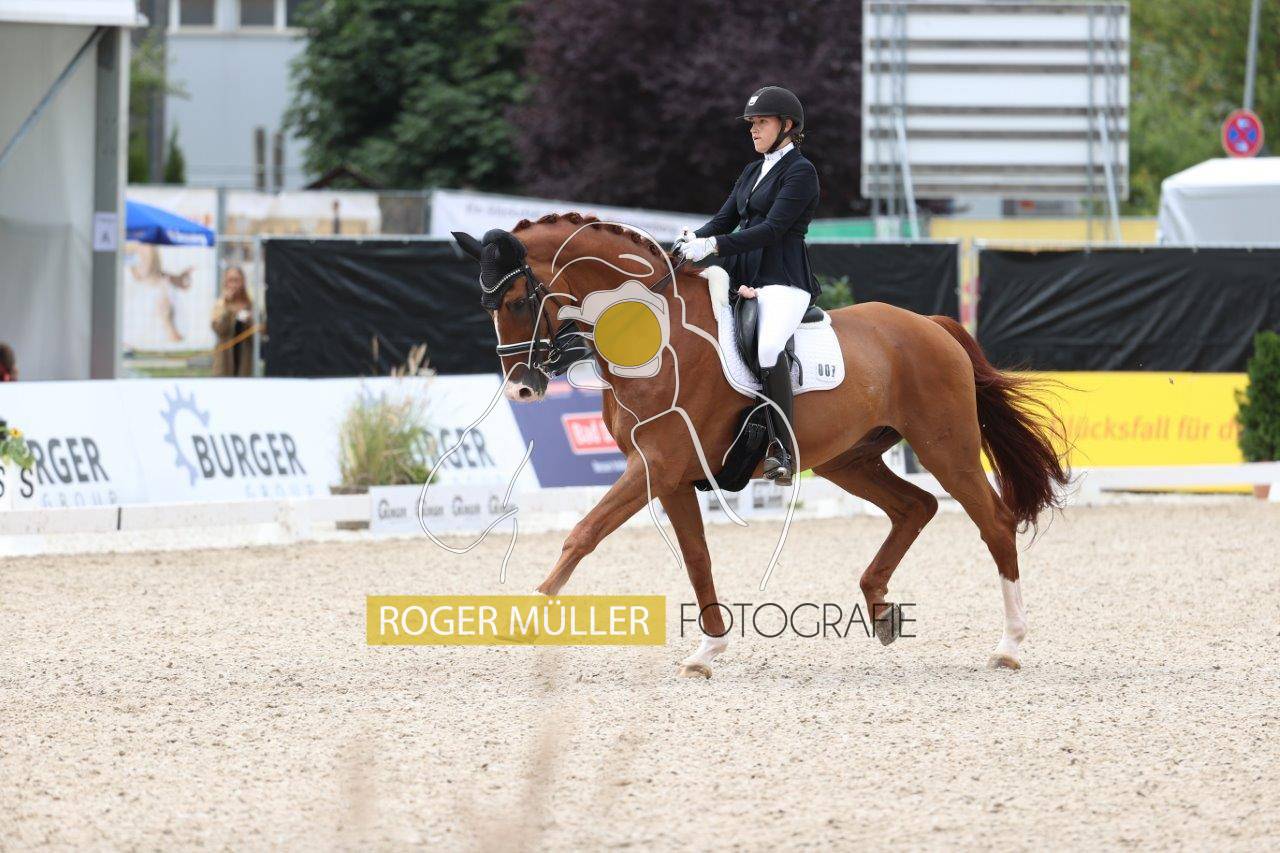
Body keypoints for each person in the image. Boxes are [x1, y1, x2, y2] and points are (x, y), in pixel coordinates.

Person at [674, 85, 821, 486]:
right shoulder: (753, 171)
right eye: (752, 123)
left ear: (787, 126)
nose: (753, 130)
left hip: (783, 278)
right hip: (741, 274)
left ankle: (782, 448)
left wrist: (713, 246)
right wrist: (692, 240)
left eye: (762, 122)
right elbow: (724, 220)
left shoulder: (801, 172)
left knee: (769, 346)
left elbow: (773, 229)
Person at [211, 266, 256, 377]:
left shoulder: (250, 304)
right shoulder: (220, 304)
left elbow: (258, 333)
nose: (233, 285)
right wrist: (227, 309)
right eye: (230, 281)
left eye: (237, 280)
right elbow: (219, 330)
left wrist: (249, 320)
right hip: (224, 362)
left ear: (243, 282)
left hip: (244, 361)